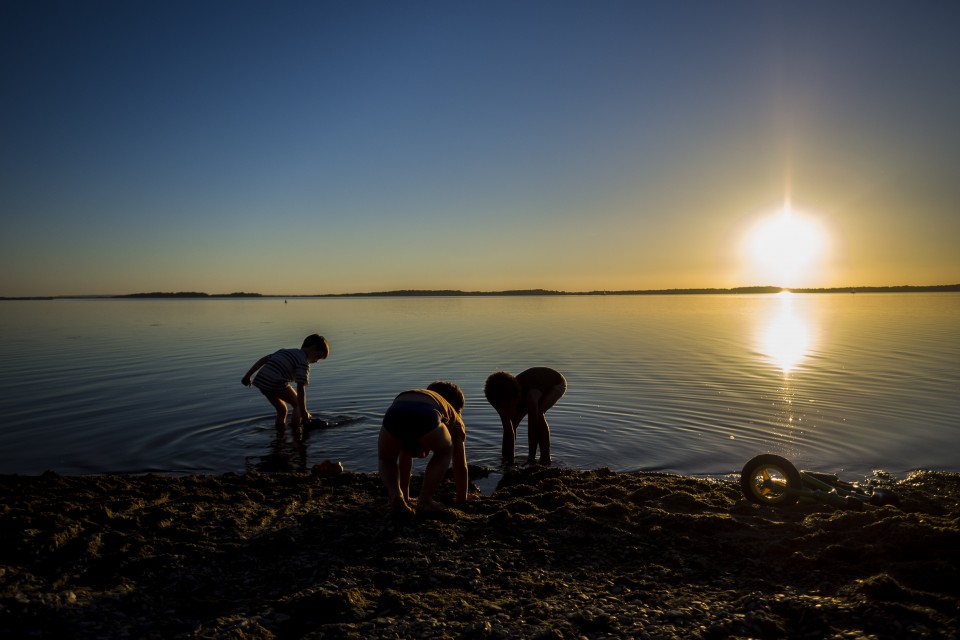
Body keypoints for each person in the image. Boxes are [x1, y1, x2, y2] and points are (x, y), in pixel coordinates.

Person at [378, 381, 469, 514]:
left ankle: (397, 495)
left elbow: (405, 457)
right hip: (427, 415)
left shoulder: (423, 395)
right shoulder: (454, 416)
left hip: (395, 410)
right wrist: (461, 499)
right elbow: (460, 464)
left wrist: (405, 495)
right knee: (445, 451)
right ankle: (425, 500)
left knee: (387, 459)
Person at [241, 334, 330, 429]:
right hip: (275, 381)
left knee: (282, 410)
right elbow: (301, 388)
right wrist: (304, 414)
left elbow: (264, 359)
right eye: (318, 357)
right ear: (313, 348)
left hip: (262, 381)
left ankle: (280, 432)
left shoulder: (285, 351)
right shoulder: (303, 362)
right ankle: (297, 430)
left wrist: (247, 376)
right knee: (297, 405)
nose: (316, 361)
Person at [484, 367, 566, 466]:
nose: (506, 411)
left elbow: (533, 430)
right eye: (504, 408)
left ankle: (545, 458)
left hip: (556, 382)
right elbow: (508, 428)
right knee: (512, 421)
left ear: (517, 399)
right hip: (530, 386)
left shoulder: (530, 398)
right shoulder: (497, 399)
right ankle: (507, 458)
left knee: (539, 413)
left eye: (508, 407)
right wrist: (508, 462)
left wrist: (531, 459)